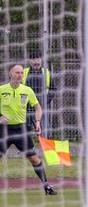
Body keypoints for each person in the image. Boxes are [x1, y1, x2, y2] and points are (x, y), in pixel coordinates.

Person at [0, 65, 57, 195]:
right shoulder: (2, 89)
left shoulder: (27, 90)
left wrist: (38, 122)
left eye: (21, 73)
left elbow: (38, 108)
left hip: (21, 130)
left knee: (34, 159)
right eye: (17, 72)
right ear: (10, 74)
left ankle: (46, 186)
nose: (20, 75)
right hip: (3, 130)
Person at [22, 51, 54, 135]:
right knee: (25, 130)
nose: (36, 66)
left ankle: (45, 142)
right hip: (26, 107)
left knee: (45, 131)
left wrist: (46, 101)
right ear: (30, 61)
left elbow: (53, 89)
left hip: (41, 106)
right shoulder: (24, 72)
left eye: (38, 64)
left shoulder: (46, 72)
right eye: (34, 65)